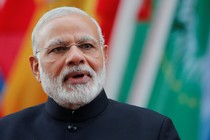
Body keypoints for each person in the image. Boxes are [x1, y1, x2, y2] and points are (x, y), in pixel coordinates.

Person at [0, 6, 180, 140]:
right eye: (59, 49)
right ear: (36, 67)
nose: (76, 57)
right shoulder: (6, 132)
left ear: (104, 55)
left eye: (87, 46)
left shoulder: (153, 131)